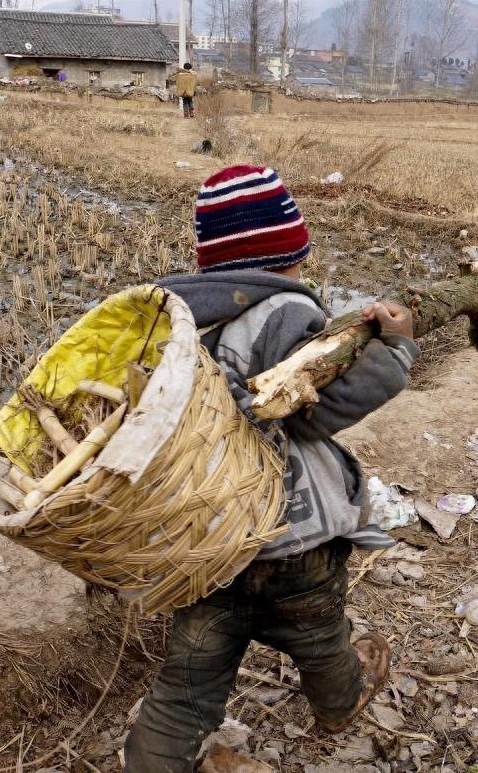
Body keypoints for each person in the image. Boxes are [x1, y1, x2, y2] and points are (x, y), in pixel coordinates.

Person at [127, 165, 418, 772]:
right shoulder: (284, 310)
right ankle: (340, 702)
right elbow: (314, 410)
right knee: (320, 640)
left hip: (212, 543)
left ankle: (152, 761)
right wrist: (396, 351)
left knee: (186, 685)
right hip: (293, 545)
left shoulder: (179, 322)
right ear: (290, 253)